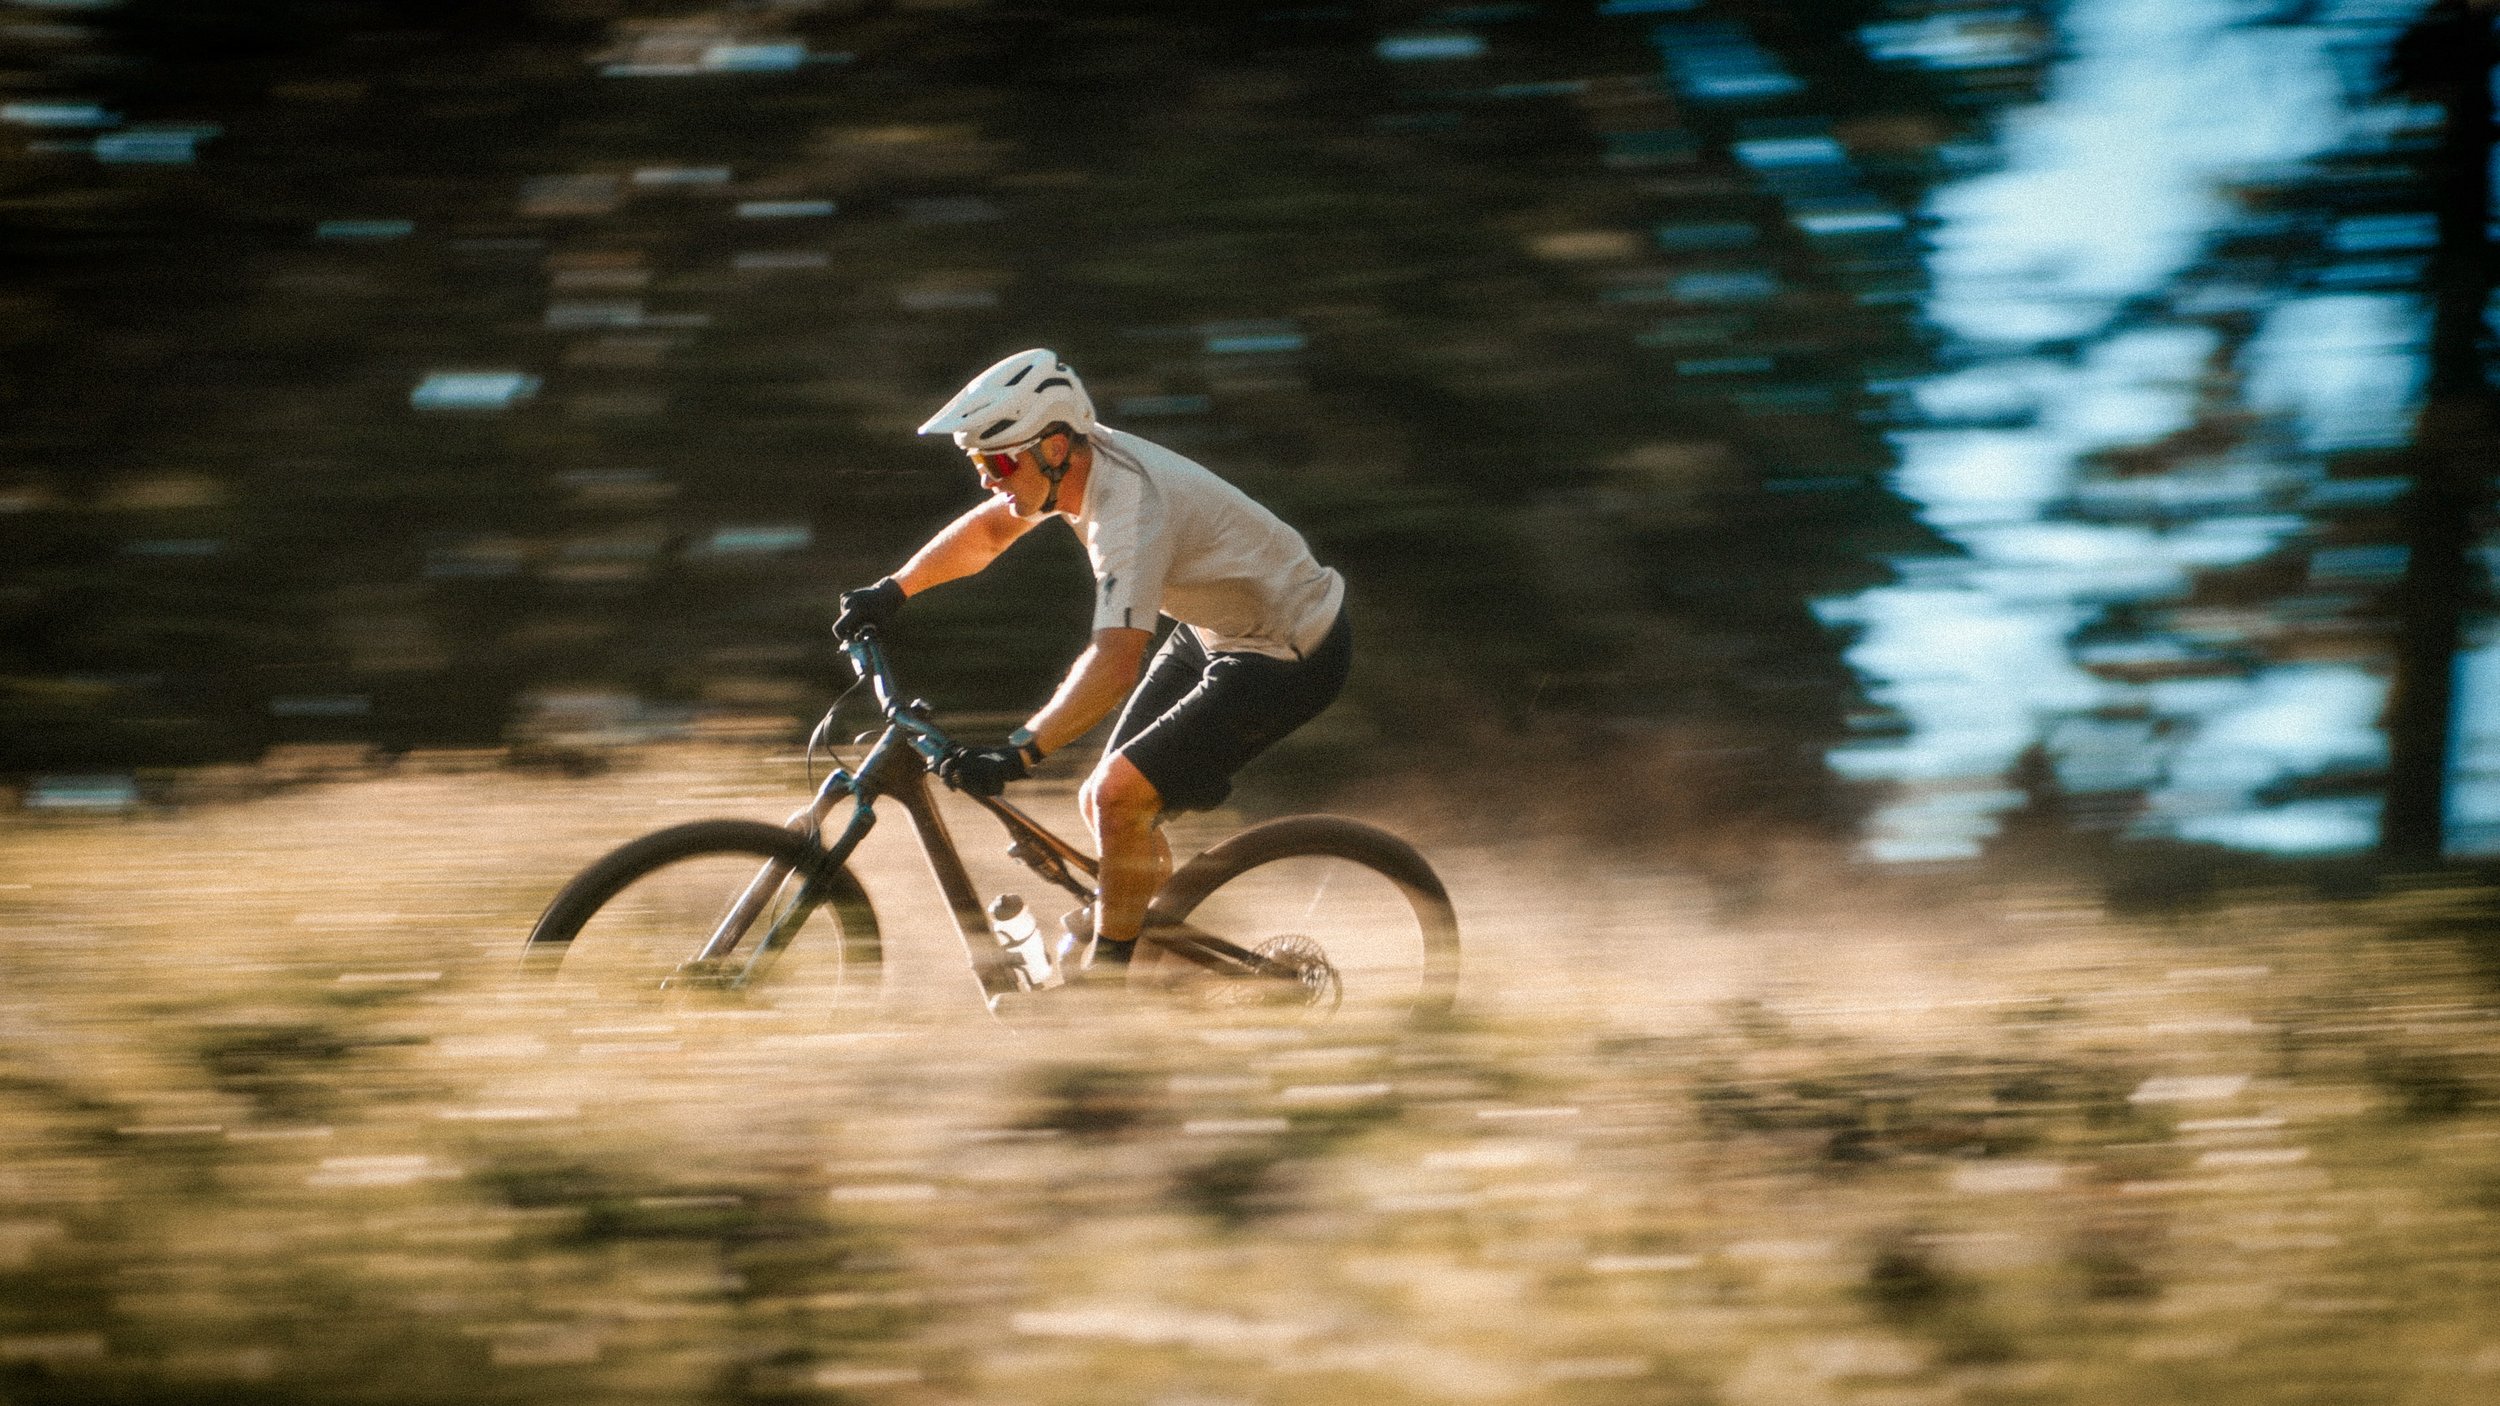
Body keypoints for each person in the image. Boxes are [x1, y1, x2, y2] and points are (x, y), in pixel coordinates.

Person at [832, 349, 1351, 974]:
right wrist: (894, 590)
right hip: (1220, 630)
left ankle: (1106, 987)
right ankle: (1162, 948)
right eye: (976, 462)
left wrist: (1019, 751)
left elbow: (1113, 664)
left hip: (1290, 649)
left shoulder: (1130, 510)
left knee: (1115, 797)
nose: (986, 479)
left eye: (997, 461)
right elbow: (994, 530)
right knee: (1103, 808)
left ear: (1053, 447)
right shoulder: (1075, 469)